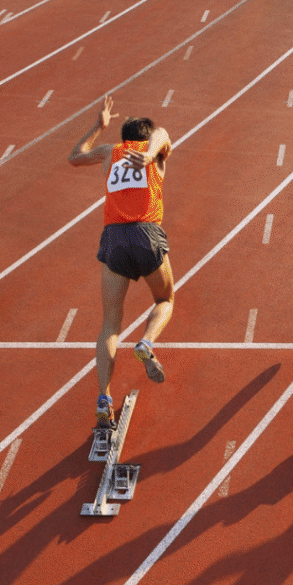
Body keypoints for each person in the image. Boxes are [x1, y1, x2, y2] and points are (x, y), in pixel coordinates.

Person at [69, 96, 174, 428]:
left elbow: (73, 157)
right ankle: (146, 342)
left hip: (113, 238)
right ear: (146, 139)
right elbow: (165, 134)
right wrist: (149, 153)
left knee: (110, 324)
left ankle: (104, 395)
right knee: (165, 299)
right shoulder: (155, 156)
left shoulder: (108, 153)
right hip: (146, 233)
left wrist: (97, 127)